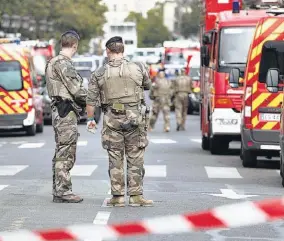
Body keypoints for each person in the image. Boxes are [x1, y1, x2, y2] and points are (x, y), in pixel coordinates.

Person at [86, 36, 153, 207]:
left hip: (111, 119)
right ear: (123, 51)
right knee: (136, 156)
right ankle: (136, 196)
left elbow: (91, 100)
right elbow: (147, 85)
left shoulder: (99, 73)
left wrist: (90, 119)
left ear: (108, 51)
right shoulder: (138, 67)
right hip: (135, 118)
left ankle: (118, 197)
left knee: (115, 157)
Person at [45, 30, 87, 203]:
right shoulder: (64, 63)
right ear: (74, 46)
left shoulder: (52, 62)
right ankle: (63, 191)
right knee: (66, 151)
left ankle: (58, 190)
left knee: (61, 150)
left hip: (58, 109)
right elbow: (77, 90)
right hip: (65, 111)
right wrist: (95, 100)